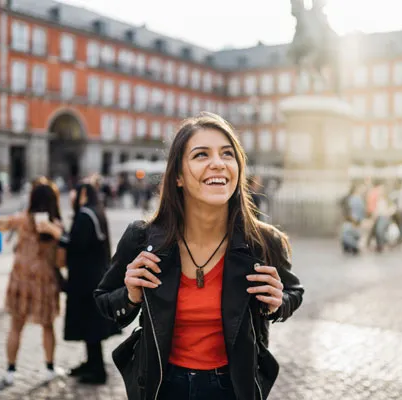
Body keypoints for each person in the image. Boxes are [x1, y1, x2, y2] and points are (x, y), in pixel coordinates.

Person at [94, 112, 304, 400]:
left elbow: (293, 291)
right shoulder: (142, 238)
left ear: (238, 168)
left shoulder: (262, 241)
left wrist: (278, 303)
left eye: (227, 154)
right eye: (201, 155)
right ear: (178, 176)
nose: (218, 163)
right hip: (161, 387)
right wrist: (130, 295)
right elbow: (104, 299)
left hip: (233, 387)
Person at [0, 180, 63, 385]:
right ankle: (50, 368)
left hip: (21, 278)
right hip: (45, 280)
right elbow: (62, 260)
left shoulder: (23, 219)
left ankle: (10, 370)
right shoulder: (56, 225)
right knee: (48, 325)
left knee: (16, 326)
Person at [38, 183, 122, 384]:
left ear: (83, 193)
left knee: (91, 325)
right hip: (93, 276)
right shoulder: (94, 211)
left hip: (88, 280)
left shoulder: (86, 214)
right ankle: (91, 363)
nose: (72, 195)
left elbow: (76, 245)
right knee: (89, 324)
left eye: (74, 192)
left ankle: (97, 370)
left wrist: (55, 232)